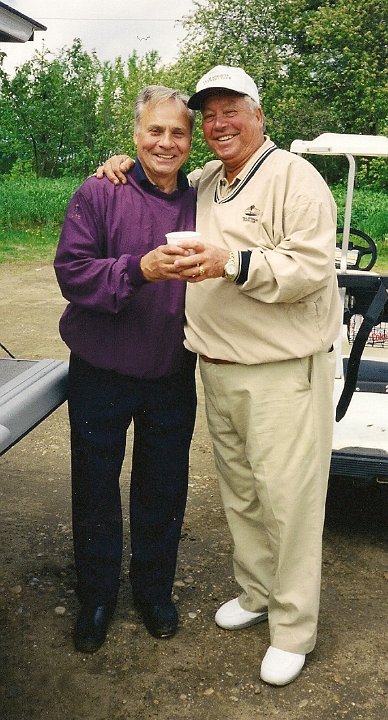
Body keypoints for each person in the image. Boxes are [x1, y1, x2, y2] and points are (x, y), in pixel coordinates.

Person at [97, 65, 342, 686]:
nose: (218, 124)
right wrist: (118, 163)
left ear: (259, 115)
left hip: (282, 370)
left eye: (232, 110)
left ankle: (293, 627)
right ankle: (258, 593)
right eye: (209, 115)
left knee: (289, 501)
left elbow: (311, 268)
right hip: (218, 367)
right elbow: (159, 168)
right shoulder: (208, 182)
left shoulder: (295, 177)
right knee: (243, 493)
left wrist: (232, 263)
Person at [54, 85, 197, 653]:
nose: (166, 142)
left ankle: (154, 589)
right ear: (135, 137)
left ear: (190, 141)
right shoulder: (99, 190)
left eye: (178, 132)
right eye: (155, 131)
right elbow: (73, 273)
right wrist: (139, 269)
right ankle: (95, 596)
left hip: (171, 371)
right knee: (95, 487)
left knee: (163, 487)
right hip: (101, 367)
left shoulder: (206, 197)